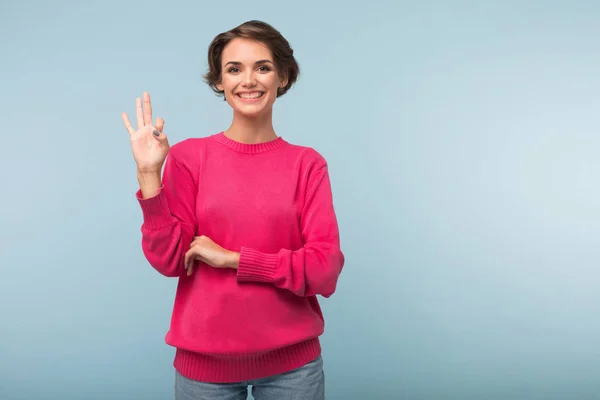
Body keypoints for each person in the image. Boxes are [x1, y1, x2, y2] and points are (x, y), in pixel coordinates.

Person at [121, 20, 345, 400]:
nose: (248, 80)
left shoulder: (307, 165)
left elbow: (325, 270)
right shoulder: (191, 157)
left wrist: (233, 260)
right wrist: (148, 174)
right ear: (220, 83)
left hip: (294, 369)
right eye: (234, 69)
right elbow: (171, 261)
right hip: (204, 370)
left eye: (263, 67)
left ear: (284, 78)